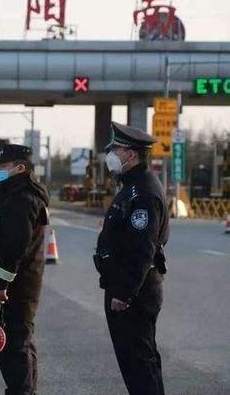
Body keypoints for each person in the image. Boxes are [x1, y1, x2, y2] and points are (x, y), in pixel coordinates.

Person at [94, 122, 168, 394]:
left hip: (134, 293)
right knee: (136, 363)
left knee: (140, 364)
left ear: (131, 155)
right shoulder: (131, 186)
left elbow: (142, 250)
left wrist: (124, 293)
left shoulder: (144, 192)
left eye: (116, 149)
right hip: (124, 287)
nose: (111, 154)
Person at [0, 144, 49, 395]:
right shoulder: (11, 195)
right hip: (16, 284)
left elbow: (15, 248)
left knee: (14, 347)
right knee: (20, 344)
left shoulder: (22, 200)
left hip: (18, 287)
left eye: (4, 166)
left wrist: (0, 285)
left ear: (19, 168)